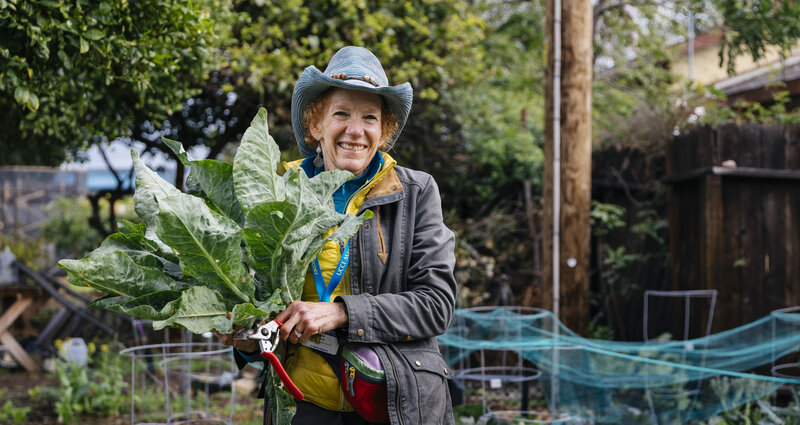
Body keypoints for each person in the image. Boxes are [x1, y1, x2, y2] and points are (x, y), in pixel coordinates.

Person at [220, 46, 458, 425]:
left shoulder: (417, 192)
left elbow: (436, 304)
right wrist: (248, 338)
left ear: (383, 131)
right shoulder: (278, 193)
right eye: (341, 114)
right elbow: (257, 301)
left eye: (369, 118)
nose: (355, 130)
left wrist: (342, 312)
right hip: (302, 406)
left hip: (391, 403)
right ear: (316, 125)